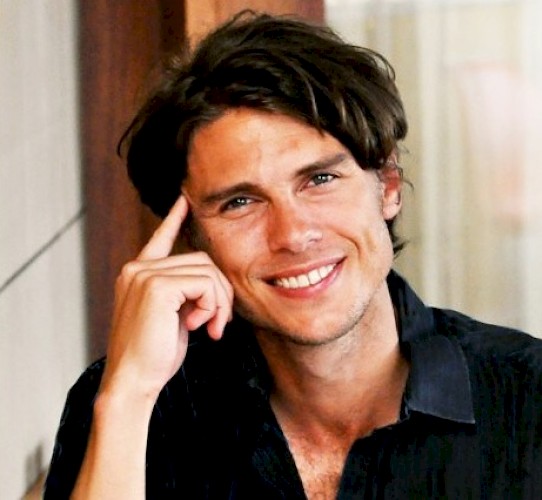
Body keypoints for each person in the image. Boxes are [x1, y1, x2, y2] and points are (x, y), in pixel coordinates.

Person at [45, 10, 542, 499]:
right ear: (192, 237)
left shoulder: (529, 397)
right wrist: (128, 396)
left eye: (320, 179)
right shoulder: (134, 402)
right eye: (240, 202)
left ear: (388, 186)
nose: (293, 234)